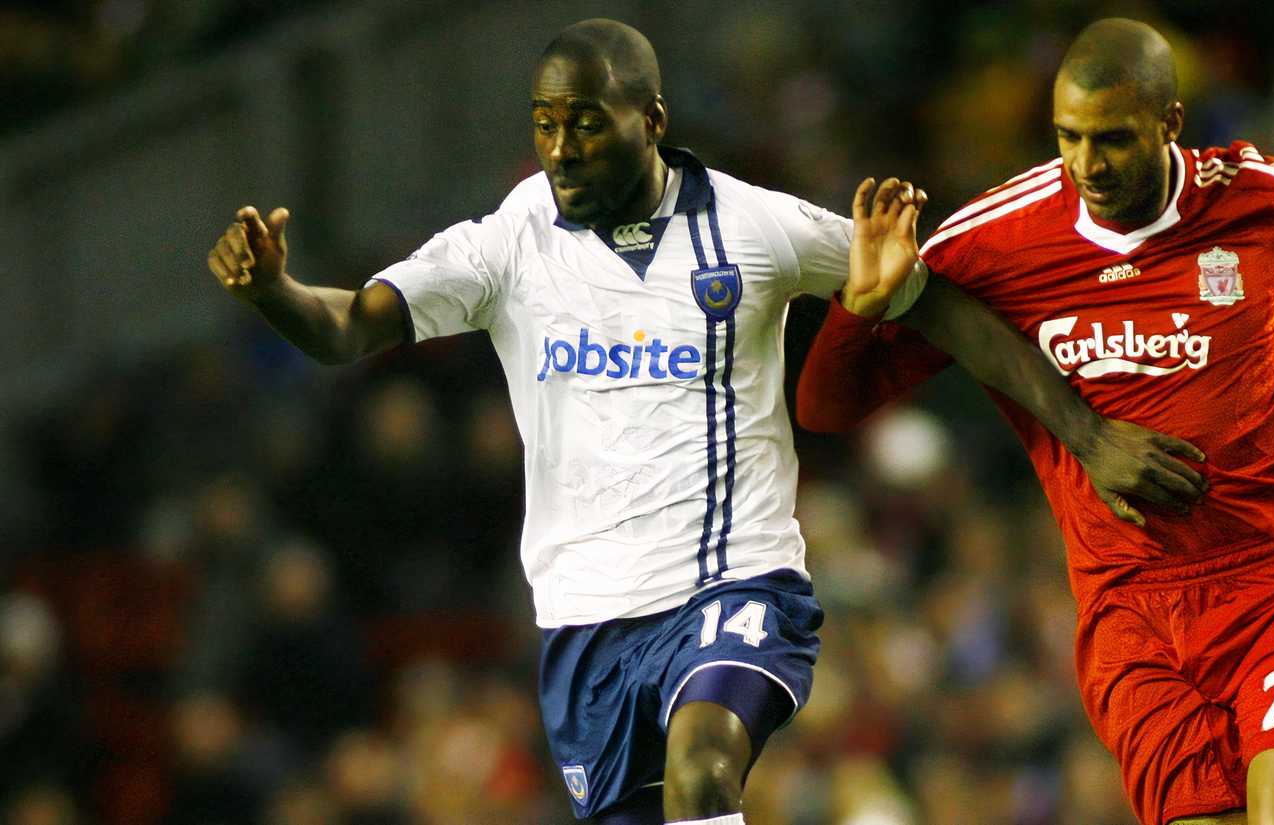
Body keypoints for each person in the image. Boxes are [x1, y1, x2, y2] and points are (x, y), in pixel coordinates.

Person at [204, 18, 1181, 825]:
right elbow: (347, 328)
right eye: (547, 124)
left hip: (735, 583)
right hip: (585, 621)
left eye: (586, 123)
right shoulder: (509, 244)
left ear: (652, 120)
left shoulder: (751, 227)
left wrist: (1083, 431)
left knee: (704, 767)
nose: (561, 147)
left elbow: (946, 305)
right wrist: (276, 292)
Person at [796, 17, 1274, 825]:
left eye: (1111, 139)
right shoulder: (997, 239)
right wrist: (856, 308)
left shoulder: (1258, 198)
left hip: (1271, 579)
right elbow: (824, 408)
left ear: (1169, 124)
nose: (1087, 164)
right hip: (1130, 612)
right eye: (1068, 138)